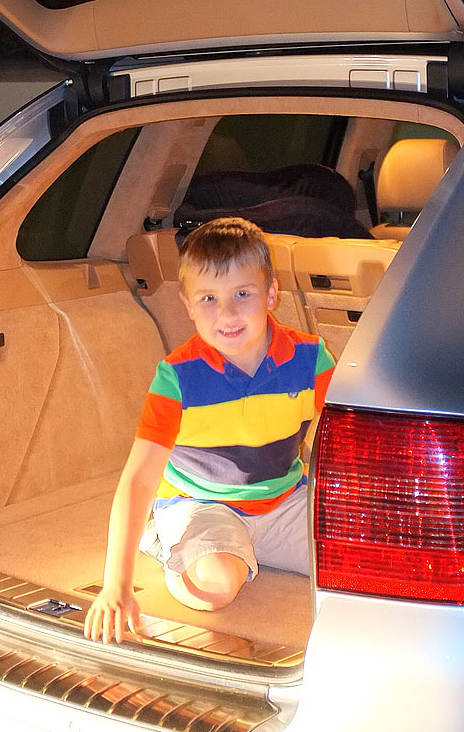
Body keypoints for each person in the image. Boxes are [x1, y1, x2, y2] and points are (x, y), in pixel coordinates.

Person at [84, 216, 335, 644]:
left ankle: (247, 549)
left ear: (271, 293)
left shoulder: (310, 357)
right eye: (208, 298)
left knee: (361, 561)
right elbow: (141, 477)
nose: (227, 313)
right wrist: (116, 585)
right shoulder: (177, 376)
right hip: (200, 502)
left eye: (243, 293)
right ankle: (168, 539)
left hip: (284, 498)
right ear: (187, 304)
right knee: (216, 586)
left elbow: (342, 439)